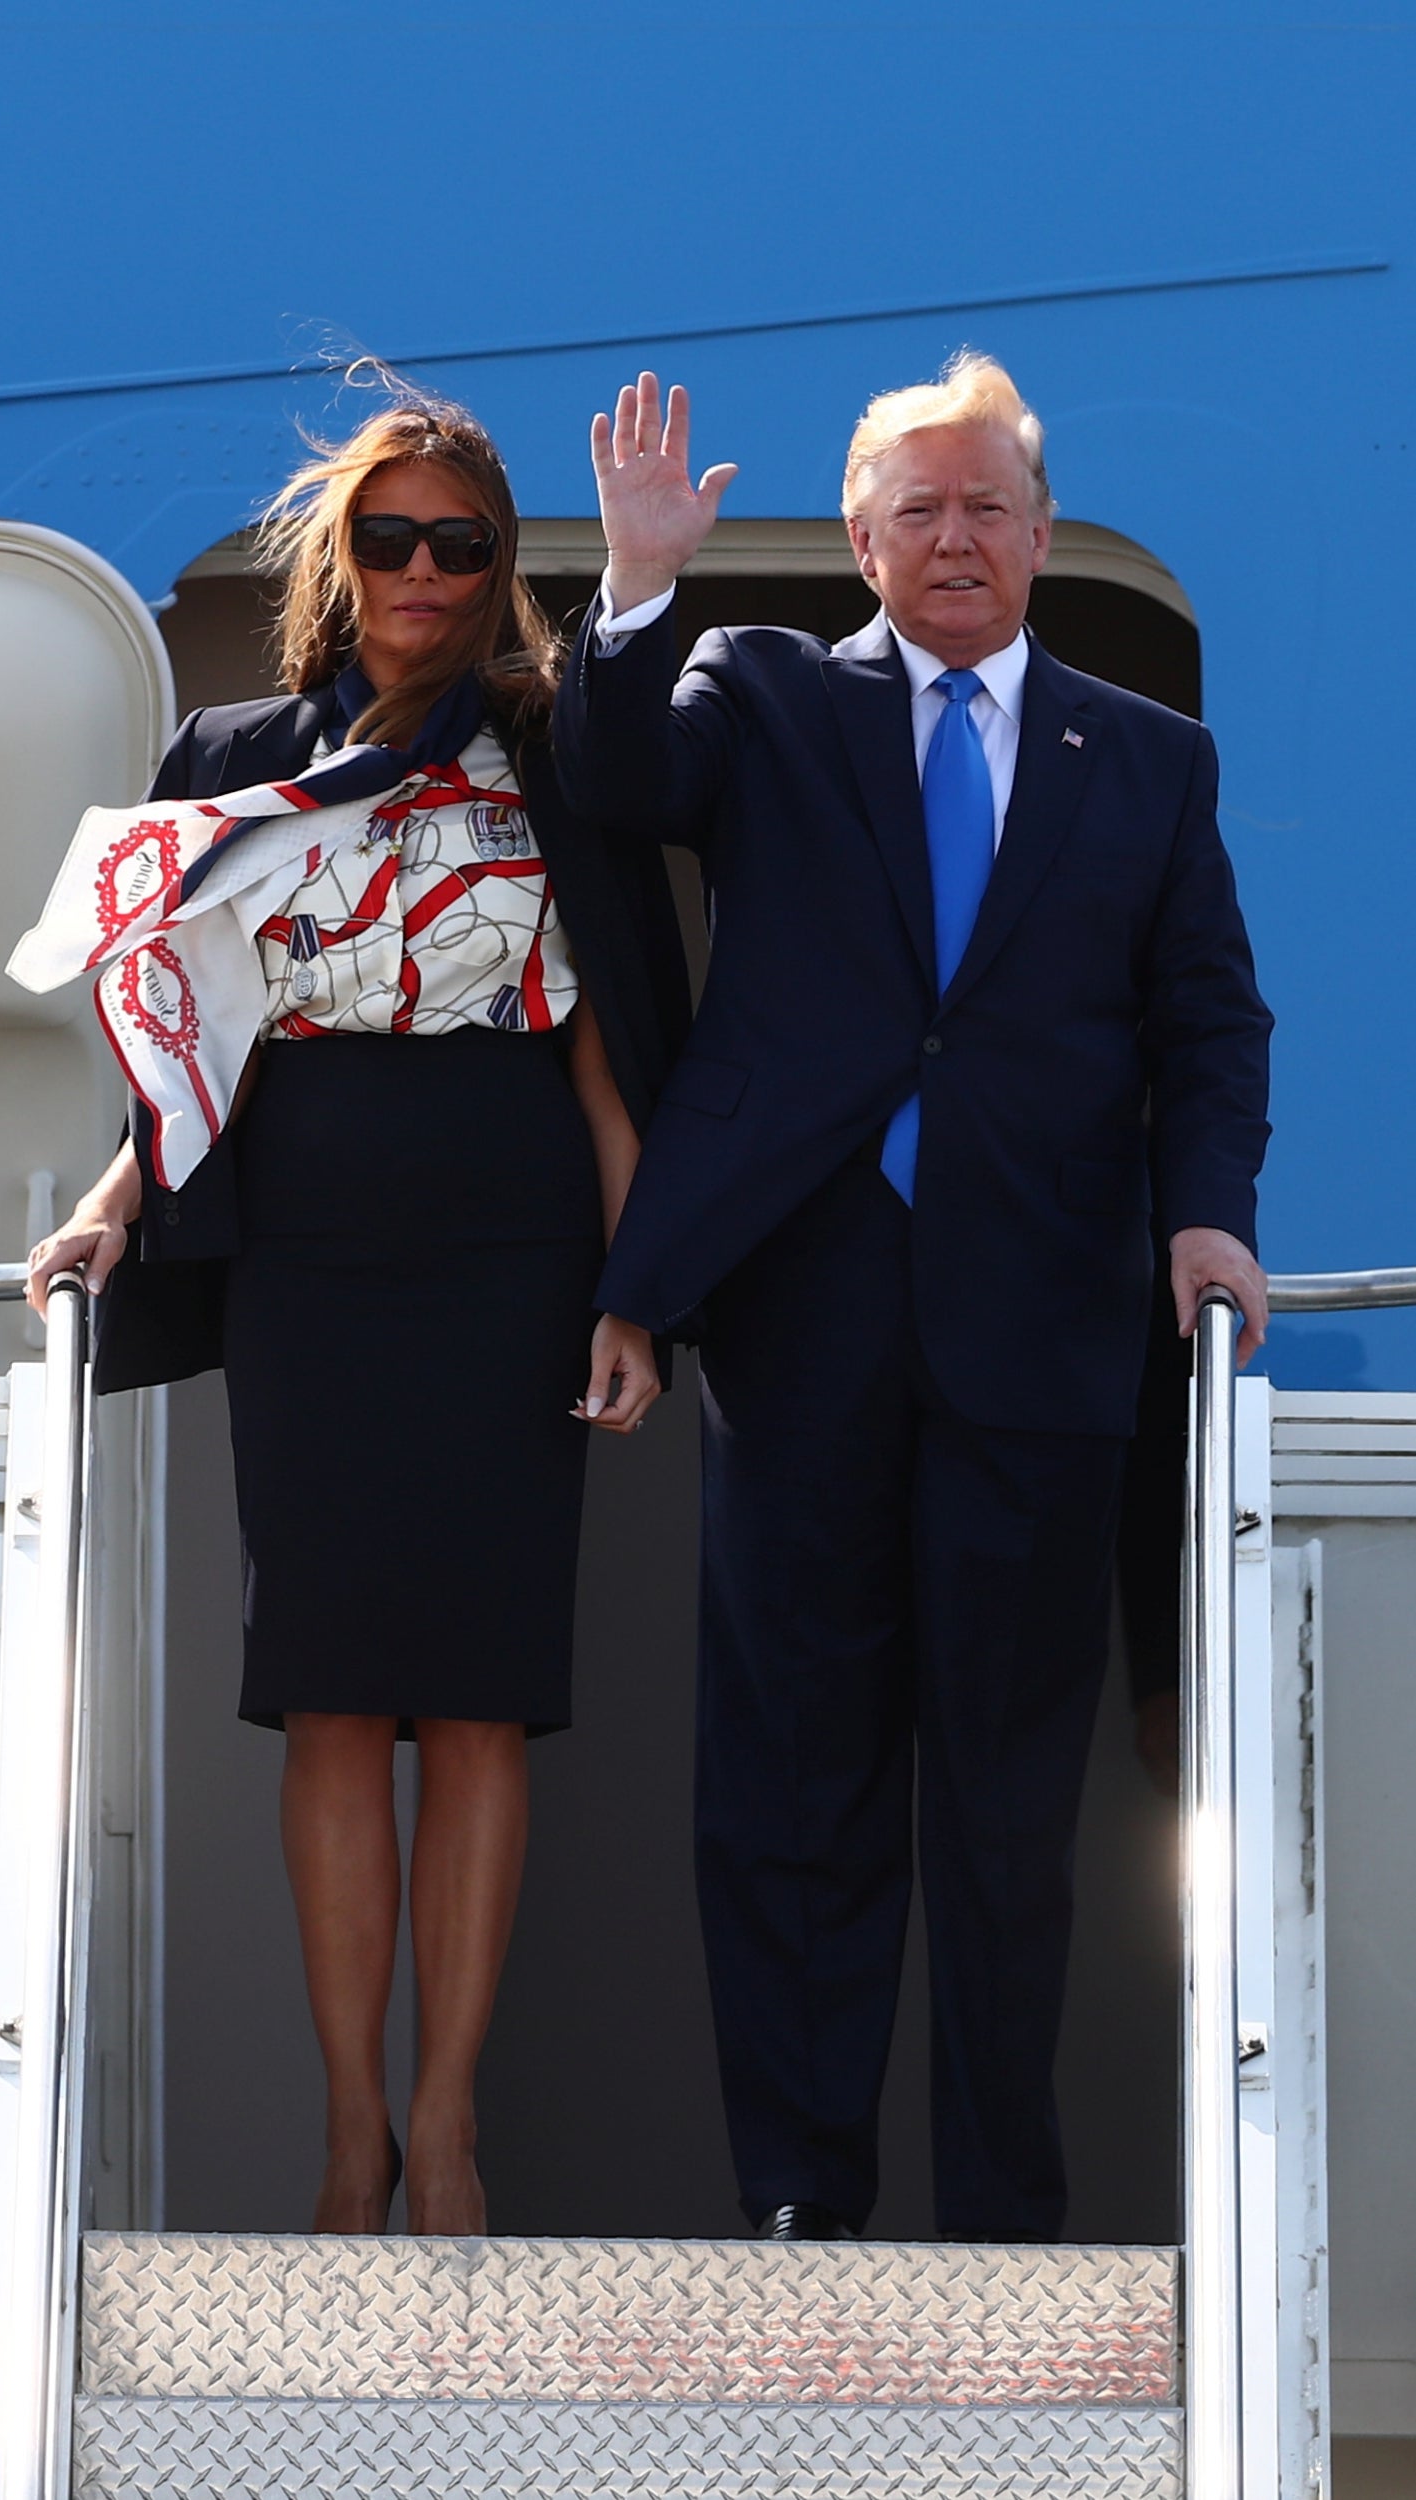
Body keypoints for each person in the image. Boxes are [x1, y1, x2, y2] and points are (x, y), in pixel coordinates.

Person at [556, 354, 1272, 2242]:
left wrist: (1206, 1222)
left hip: (1041, 1335)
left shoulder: (1149, 757)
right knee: (795, 1795)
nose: (954, 539)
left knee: (1011, 1820)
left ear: (1041, 535)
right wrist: (634, 591)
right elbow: (620, 783)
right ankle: (801, 2207)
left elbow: (1206, 1019)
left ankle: (1000, 2226)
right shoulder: (762, 691)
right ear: (859, 536)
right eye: (917, 510)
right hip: (807, 1321)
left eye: (987, 507)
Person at [17, 386, 689, 2236]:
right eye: (385, 537)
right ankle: (345, 2134)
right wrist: (104, 1209)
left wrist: (636, 1296)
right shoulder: (235, 753)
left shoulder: (555, 757)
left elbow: (602, 1054)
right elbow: (183, 1040)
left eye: (456, 543)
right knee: (324, 1701)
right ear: (342, 557)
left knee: (476, 1708)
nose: (417, 570)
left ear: (497, 572)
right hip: (310, 1257)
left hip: (510, 1255)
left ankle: (449, 2127)